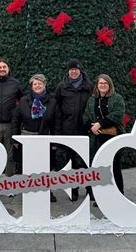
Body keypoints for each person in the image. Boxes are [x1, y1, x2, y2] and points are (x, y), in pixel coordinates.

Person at [11, 74, 62, 202]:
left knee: (46, 166)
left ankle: (47, 191)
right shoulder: (24, 100)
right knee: (28, 165)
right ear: (31, 86)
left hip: (45, 137)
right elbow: (16, 120)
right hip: (27, 138)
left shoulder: (52, 101)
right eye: (35, 84)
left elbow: (57, 122)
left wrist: (55, 141)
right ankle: (28, 190)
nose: (37, 86)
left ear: (44, 85)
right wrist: (15, 139)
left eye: (40, 83)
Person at [83, 73, 126, 205]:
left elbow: (118, 114)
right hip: (96, 139)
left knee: (114, 167)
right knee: (98, 168)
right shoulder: (92, 99)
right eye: (100, 83)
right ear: (97, 85)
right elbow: (86, 115)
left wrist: (100, 124)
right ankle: (100, 197)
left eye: (105, 83)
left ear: (109, 85)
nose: (102, 85)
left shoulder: (117, 98)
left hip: (113, 137)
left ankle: (118, 194)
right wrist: (91, 127)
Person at [55, 59, 93, 201]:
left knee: (87, 161)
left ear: (80, 70)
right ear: (68, 71)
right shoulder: (62, 87)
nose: (74, 71)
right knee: (71, 162)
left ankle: (90, 188)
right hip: (68, 129)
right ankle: (74, 189)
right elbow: (57, 108)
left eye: (76, 69)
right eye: (71, 69)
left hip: (85, 129)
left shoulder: (88, 86)